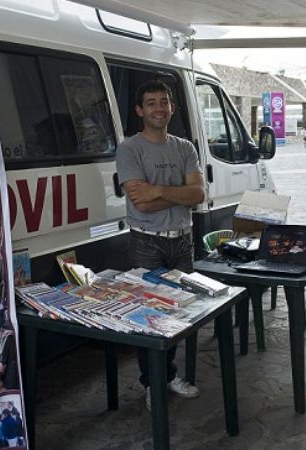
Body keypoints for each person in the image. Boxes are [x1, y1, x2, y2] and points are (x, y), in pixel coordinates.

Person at [115, 80, 204, 410]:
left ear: (172, 107)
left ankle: (167, 375)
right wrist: (179, 194)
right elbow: (142, 205)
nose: (159, 108)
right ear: (140, 110)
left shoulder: (185, 148)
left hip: (182, 241)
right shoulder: (129, 149)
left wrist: (158, 190)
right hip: (146, 243)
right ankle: (152, 381)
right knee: (149, 315)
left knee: (178, 313)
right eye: (151, 103)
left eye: (164, 102)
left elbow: (199, 194)